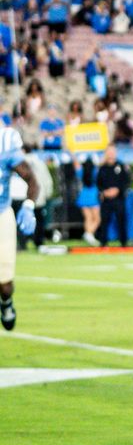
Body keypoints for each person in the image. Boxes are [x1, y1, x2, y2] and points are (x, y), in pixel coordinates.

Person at [0, 124, 39, 331]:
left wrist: (28, 206)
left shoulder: (5, 142)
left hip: (1, 214)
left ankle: (6, 302)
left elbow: (32, 180)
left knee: (4, 284)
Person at [96, 146, 130, 247]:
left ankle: (123, 243)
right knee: (104, 221)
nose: (111, 154)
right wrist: (104, 192)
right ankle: (103, 243)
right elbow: (98, 183)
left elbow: (126, 181)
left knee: (121, 220)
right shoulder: (102, 168)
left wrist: (118, 190)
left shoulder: (121, 166)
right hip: (106, 200)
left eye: (112, 152)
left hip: (119, 199)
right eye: (109, 152)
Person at [75, 154, 101, 245]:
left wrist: (71, 152)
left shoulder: (81, 171)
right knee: (97, 219)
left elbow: (76, 163)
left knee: (88, 218)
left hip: (83, 195)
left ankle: (89, 234)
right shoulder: (95, 171)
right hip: (93, 196)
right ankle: (89, 234)